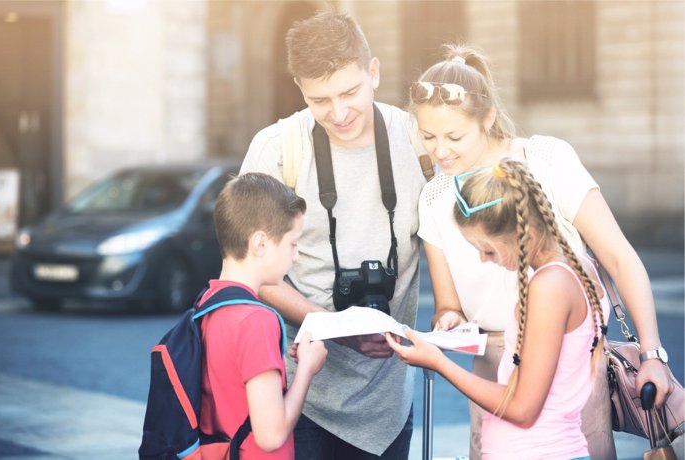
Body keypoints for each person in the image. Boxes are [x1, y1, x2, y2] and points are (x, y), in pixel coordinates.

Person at [410, 43, 674, 460]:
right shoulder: (435, 196)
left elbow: (619, 258)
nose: (439, 151)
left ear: (488, 118)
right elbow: (449, 304)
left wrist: (652, 353)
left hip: (570, 367)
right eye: (427, 137)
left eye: (454, 136)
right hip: (493, 369)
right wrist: (448, 320)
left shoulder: (546, 159)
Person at [239, 8, 426, 460]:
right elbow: (250, 274)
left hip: (388, 407)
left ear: (374, 72)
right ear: (300, 88)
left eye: (350, 92)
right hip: (296, 398)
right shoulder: (277, 149)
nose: (339, 113)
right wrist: (335, 327)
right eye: (320, 100)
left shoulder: (420, 140)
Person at [388, 158, 608, 459]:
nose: (483, 259)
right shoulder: (578, 269)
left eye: (488, 249)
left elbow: (522, 408)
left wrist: (438, 362)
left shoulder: (549, 287)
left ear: (526, 236)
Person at [199, 172, 327, 459]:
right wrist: (307, 367)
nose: (295, 256)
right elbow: (271, 435)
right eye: (293, 243)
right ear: (260, 244)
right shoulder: (256, 321)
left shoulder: (209, 304)